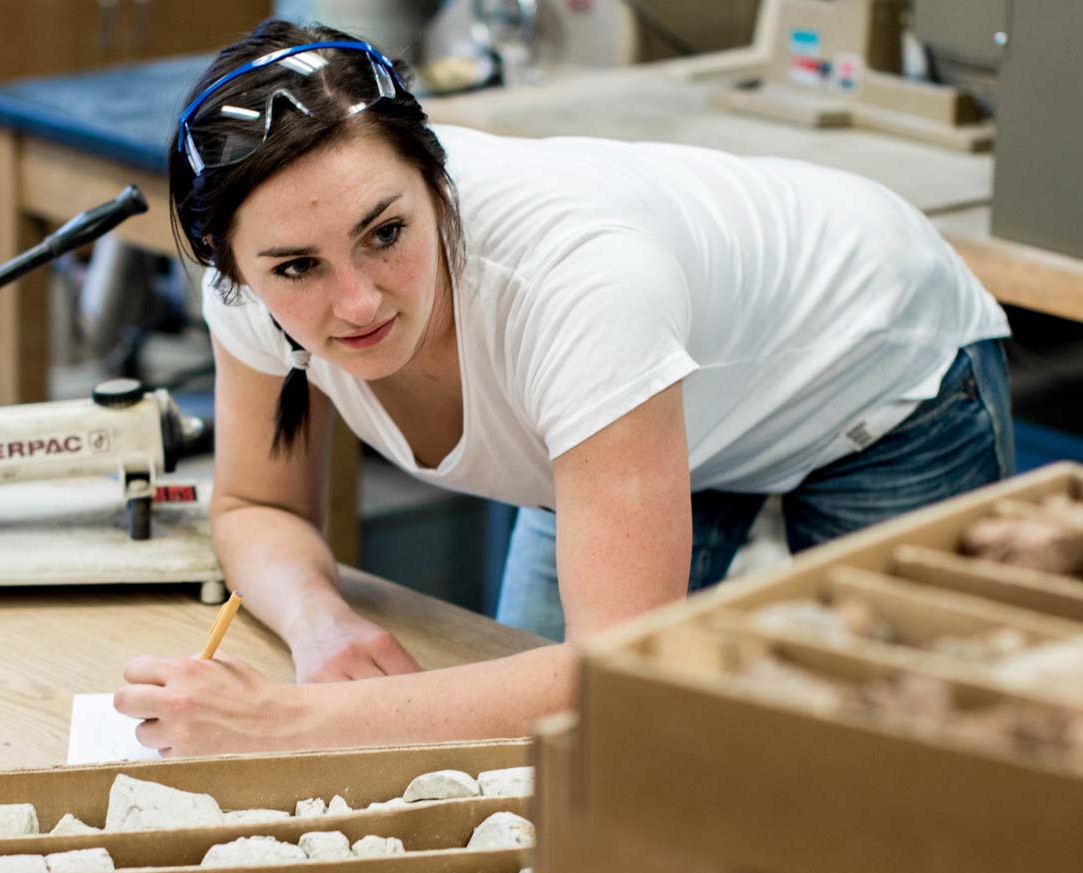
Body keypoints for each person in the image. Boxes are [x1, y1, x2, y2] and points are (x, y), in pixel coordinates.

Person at [113, 20, 1012, 755]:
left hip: (871, 365)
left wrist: (283, 722)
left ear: (440, 184)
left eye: (386, 233)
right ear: (234, 271)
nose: (357, 301)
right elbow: (256, 506)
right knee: (537, 771)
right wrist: (319, 625)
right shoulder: (250, 289)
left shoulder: (578, 285)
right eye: (298, 268)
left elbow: (612, 669)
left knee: (890, 760)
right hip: (641, 399)